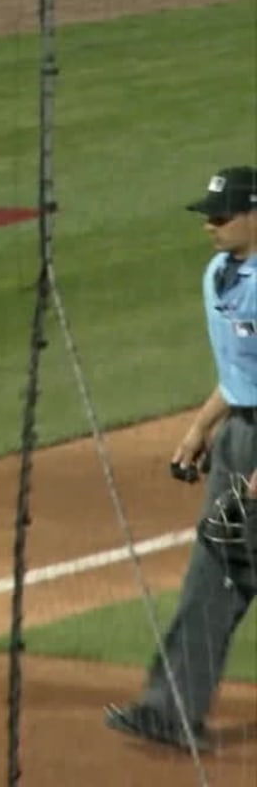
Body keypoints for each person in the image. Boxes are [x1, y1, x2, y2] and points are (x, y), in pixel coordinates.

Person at [105, 164, 257, 753]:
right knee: (217, 567)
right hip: (236, 440)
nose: (211, 226)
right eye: (207, 216)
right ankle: (171, 710)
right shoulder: (220, 275)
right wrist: (201, 427)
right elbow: (241, 375)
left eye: (223, 215)